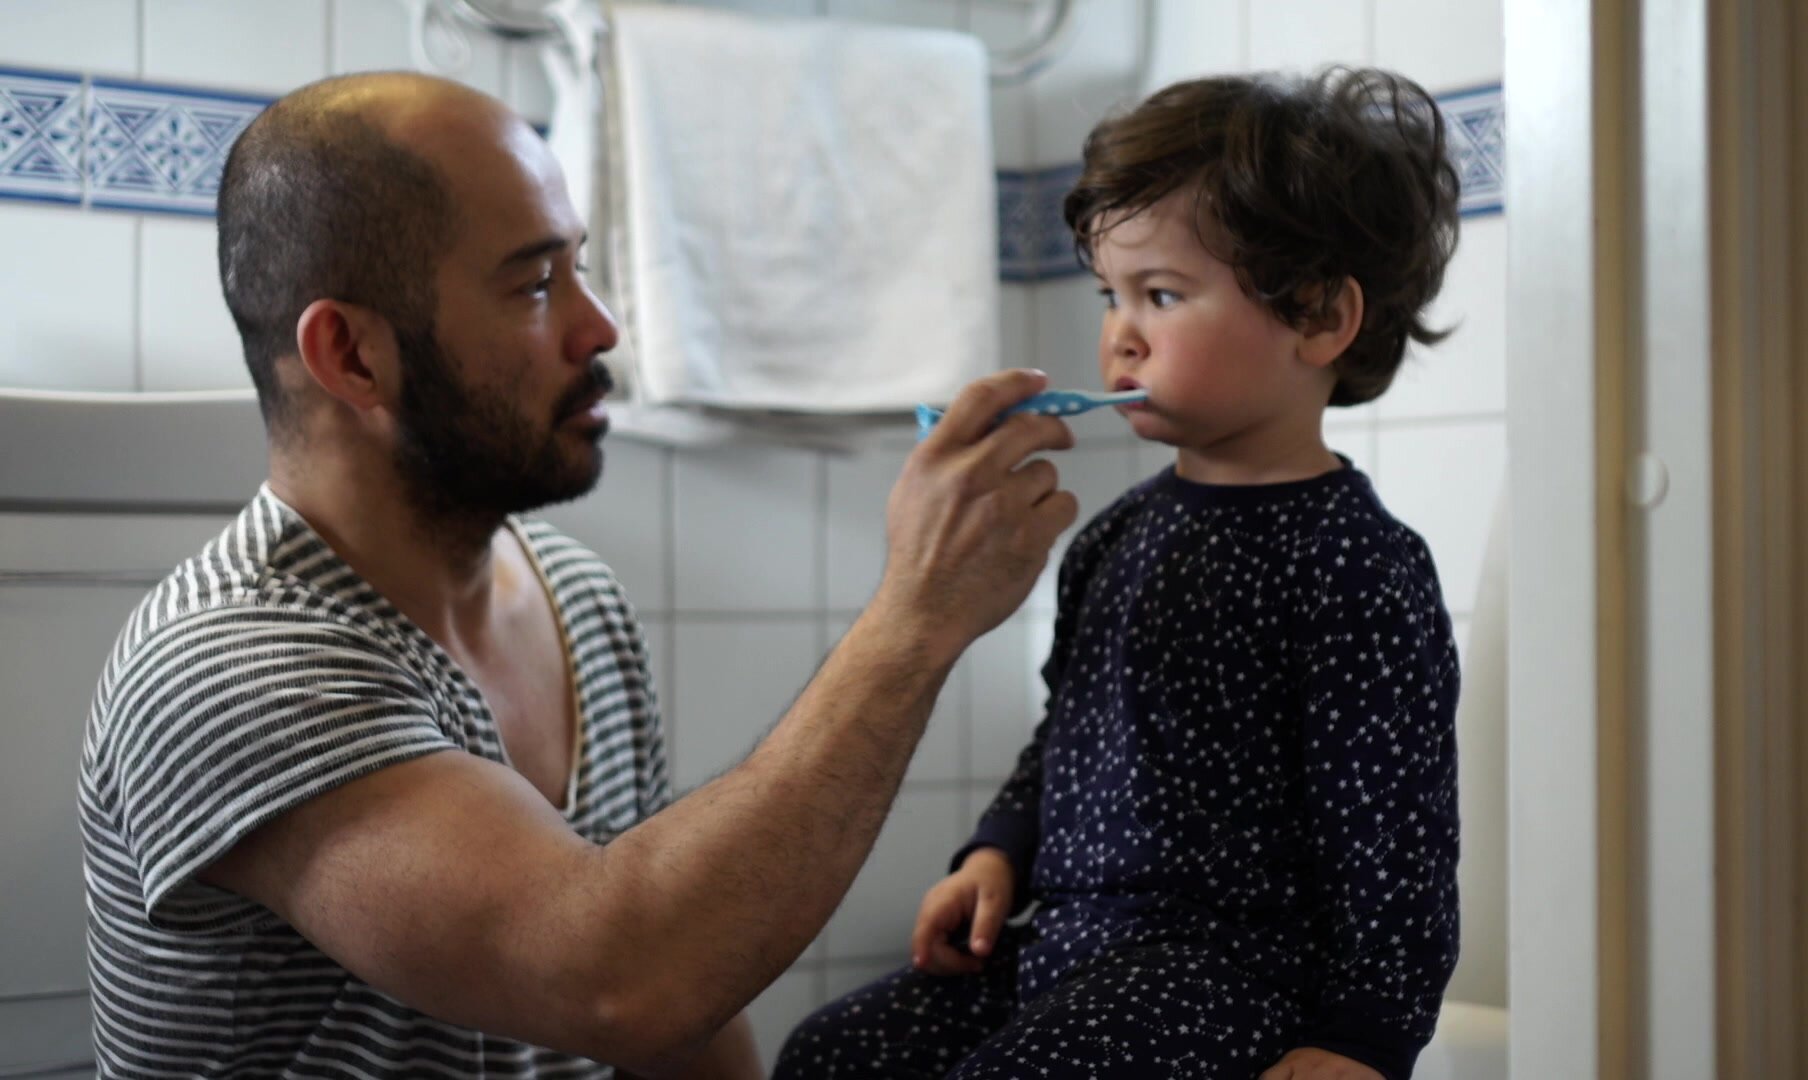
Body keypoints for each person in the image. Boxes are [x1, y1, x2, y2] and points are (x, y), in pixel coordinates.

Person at [79, 72, 1079, 1079]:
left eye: (580, 269)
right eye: (533, 285)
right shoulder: (229, 666)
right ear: (352, 355)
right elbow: (623, 980)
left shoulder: (571, 592)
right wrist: (914, 619)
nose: (600, 327)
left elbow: (689, 996)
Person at [773, 68, 1464, 1080]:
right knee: (834, 1055)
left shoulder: (1356, 564)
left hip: (1228, 974)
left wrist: (1362, 1040)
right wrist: (998, 849)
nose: (1119, 333)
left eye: (1162, 295)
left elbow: (1396, 834)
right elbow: (1069, 728)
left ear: (1319, 316)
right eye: (1112, 294)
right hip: (1064, 951)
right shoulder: (1114, 534)